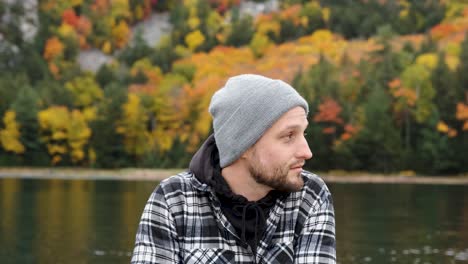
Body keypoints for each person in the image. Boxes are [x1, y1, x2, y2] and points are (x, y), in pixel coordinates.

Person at [131, 74, 336, 263]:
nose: (307, 152)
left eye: (304, 134)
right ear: (243, 145)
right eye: (289, 136)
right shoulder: (173, 199)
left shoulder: (310, 195)